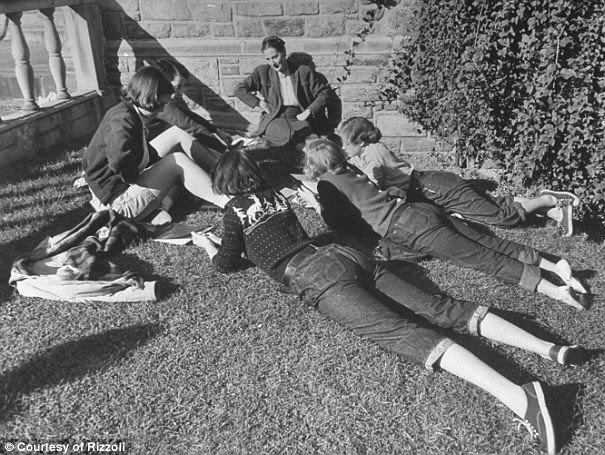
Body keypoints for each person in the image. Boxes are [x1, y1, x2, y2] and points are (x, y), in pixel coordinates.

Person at [193, 149, 582, 455]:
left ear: (224, 183)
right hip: (342, 253)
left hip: (312, 276)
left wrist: (206, 244)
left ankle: (521, 396)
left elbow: (227, 263)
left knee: (404, 334)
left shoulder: (233, 211)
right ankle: (548, 348)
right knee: (440, 307)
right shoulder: (276, 195)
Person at [298, 137, 589, 311]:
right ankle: (555, 267)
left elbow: (338, 222)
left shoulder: (326, 184)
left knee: (483, 260)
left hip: (407, 228)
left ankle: (556, 291)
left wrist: (316, 204)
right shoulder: (349, 168)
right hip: (420, 211)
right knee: (489, 243)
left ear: (315, 165)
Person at [337, 117, 581, 236]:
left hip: (432, 188)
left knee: (499, 218)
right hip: (432, 185)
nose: (344, 150)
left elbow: (374, 185)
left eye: (346, 145)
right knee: (491, 207)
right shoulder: (364, 154)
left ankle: (548, 199)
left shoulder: (374, 153)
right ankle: (554, 211)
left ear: (360, 141)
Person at [82, 66, 229, 226]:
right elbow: (119, 161)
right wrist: (141, 178)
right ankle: (229, 202)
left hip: (116, 186)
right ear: (149, 98)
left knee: (176, 134)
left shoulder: (127, 110)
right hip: (118, 202)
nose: (163, 109)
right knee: (177, 161)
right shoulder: (122, 119)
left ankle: (229, 175)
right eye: (162, 104)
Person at [233, 36, 330, 151]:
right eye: (268, 59)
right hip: (275, 117)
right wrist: (260, 103)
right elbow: (239, 89)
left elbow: (324, 93)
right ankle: (302, 148)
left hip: (298, 117)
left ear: (283, 53)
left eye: (275, 57)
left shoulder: (303, 71)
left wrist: (309, 110)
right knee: (281, 133)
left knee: (304, 131)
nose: (272, 63)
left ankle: (272, 143)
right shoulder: (262, 72)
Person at [144, 58, 234, 152]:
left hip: (155, 147)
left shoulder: (161, 97)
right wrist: (225, 151)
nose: (180, 92)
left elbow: (189, 115)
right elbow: (193, 128)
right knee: (182, 136)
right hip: (149, 154)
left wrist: (216, 130)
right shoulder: (162, 104)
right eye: (177, 87)